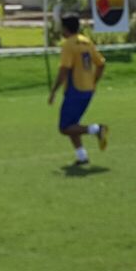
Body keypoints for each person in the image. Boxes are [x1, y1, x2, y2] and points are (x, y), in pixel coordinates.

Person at [47, 15, 109, 165]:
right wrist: (93, 82)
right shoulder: (86, 41)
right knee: (73, 124)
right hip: (87, 89)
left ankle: (96, 129)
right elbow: (101, 64)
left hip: (75, 89)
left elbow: (64, 70)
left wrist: (54, 91)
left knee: (65, 128)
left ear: (66, 29)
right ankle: (82, 156)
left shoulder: (68, 44)